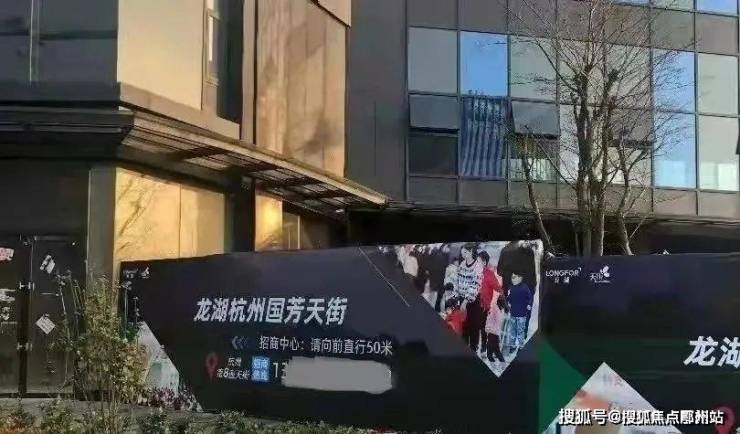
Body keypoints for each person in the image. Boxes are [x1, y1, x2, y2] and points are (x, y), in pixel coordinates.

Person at [457, 243, 483, 352]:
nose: (463, 255)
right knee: (464, 326)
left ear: (471, 251)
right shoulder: (462, 264)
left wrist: (465, 301)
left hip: (473, 301)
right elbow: (458, 281)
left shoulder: (478, 266)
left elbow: (475, 285)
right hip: (462, 299)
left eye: (465, 252)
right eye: (462, 253)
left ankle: (473, 349)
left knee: (473, 326)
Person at [476, 250, 502, 356]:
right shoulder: (474, 272)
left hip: (484, 305)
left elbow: (498, 287)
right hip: (473, 303)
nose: (476, 263)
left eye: (478, 261)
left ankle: (483, 347)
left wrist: (501, 298)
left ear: (484, 262)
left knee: (482, 326)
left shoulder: (489, 274)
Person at [506, 272, 533, 354]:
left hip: (522, 314)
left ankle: (521, 346)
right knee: (512, 331)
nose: (512, 279)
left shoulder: (525, 287)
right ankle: (513, 345)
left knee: (520, 331)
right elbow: (509, 298)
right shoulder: (511, 288)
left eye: (514, 277)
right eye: (512, 277)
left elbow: (529, 297)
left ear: (520, 278)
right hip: (513, 314)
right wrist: (508, 302)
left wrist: (529, 304)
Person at [485, 293, 507, 365]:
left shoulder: (495, 309)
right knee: (494, 351)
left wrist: (487, 328)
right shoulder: (500, 310)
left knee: (492, 352)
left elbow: (490, 319)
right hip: (495, 332)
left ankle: (501, 364)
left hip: (492, 332)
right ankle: (501, 363)